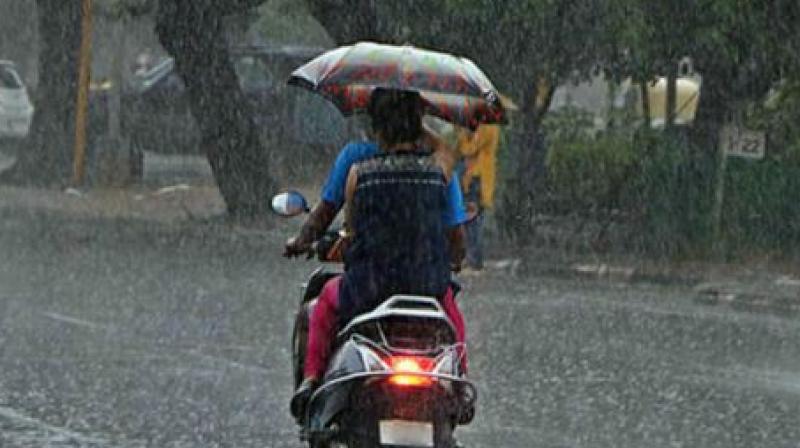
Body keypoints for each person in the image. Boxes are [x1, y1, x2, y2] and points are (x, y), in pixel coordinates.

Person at [284, 88, 469, 421]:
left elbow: (352, 232)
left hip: (368, 289)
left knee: (324, 302)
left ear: (377, 128)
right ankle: (461, 385)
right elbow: (457, 238)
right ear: (418, 126)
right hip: (425, 287)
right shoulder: (439, 173)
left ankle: (311, 382)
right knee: (453, 317)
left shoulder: (359, 171)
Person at [455, 124, 501, 272]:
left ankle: (474, 261)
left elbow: (469, 149)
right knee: (471, 221)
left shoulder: (487, 127)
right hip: (473, 177)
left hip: (477, 177)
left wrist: (463, 133)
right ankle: (472, 259)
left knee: (473, 222)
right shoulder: (481, 126)